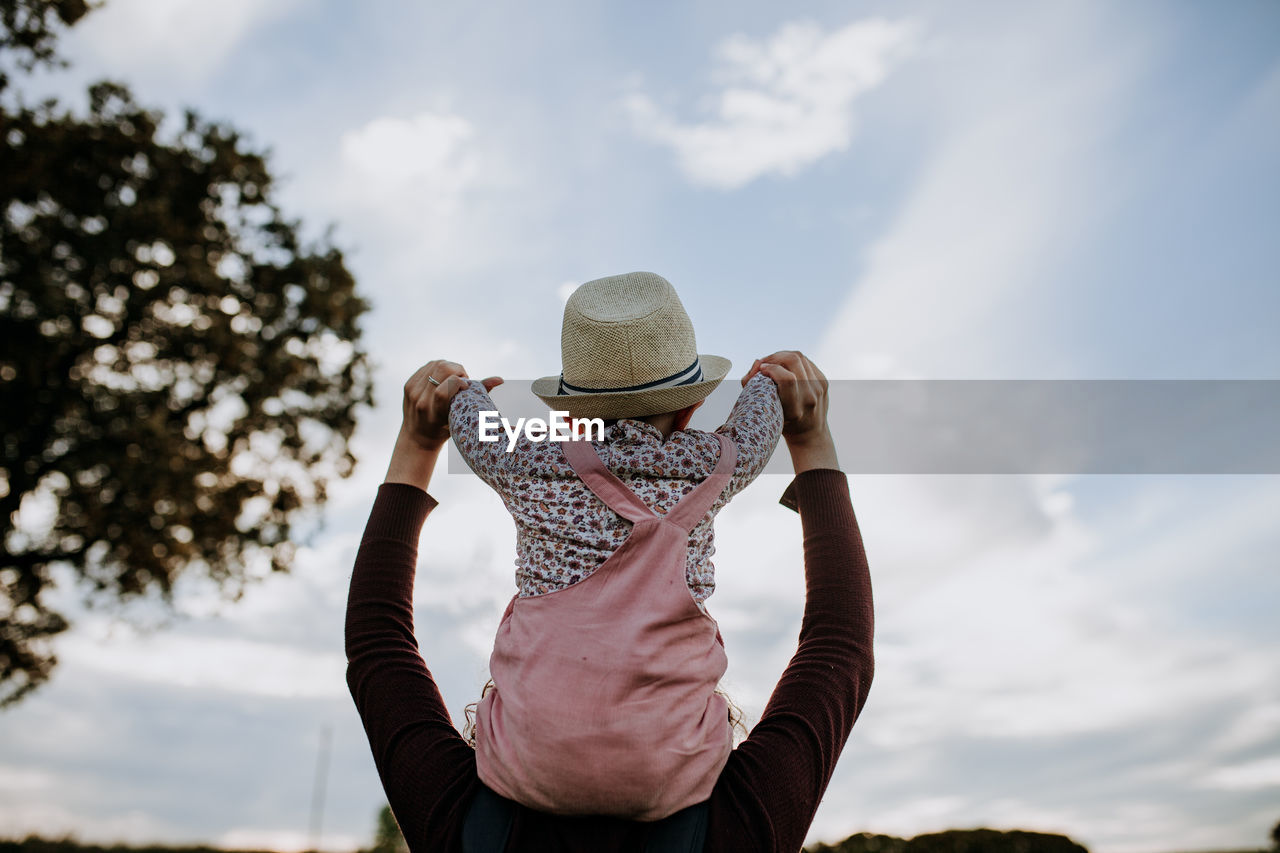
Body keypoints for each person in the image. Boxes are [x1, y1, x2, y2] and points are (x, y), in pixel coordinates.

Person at [346, 350, 874, 851]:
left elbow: (377, 646)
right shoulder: (742, 830)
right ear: (690, 408)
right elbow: (839, 649)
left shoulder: (460, 826)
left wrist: (432, 428)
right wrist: (805, 433)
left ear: (570, 419)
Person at [445, 272, 783, 820]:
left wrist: (467, 392)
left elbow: (473, 429)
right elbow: (757, 430)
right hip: (672, 775)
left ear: (569, 414)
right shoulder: (714, 464)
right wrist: (765, 382)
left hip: (521, 763)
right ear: (690, 409)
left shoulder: (527, 459)